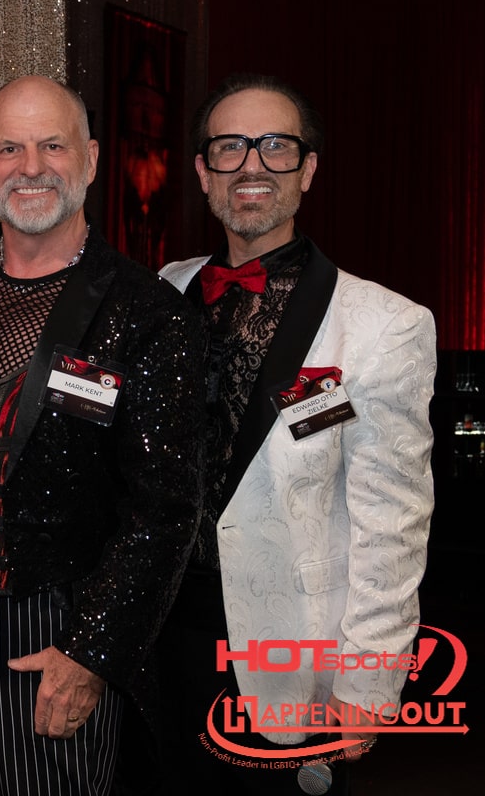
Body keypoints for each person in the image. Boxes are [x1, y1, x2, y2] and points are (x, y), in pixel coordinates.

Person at [0, 76, 205, 796]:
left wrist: (91, 650)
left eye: (51, 146)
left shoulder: (147, 310)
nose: (29, 167)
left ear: (90, 159)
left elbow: (164, 510)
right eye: (9, 148)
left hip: (49, 629)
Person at [154, 73, 435, 793]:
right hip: (153, 644)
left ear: (307, 169)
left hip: (288, 655)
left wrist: (368, 680)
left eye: (275, 146)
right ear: (202, 171)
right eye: (229, 147)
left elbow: (393, 524)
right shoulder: (163, 289)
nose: (251, 164)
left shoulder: (383, 324)